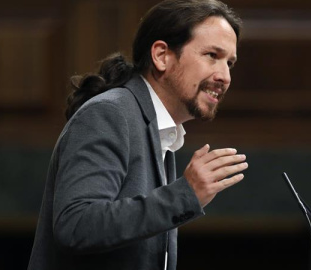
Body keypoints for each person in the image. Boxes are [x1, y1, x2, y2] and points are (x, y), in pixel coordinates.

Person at [27, 0, 247, 269]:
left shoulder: (157, 129)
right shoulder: (110, 114)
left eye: (230, 63)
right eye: (212, 55)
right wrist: (183, 195)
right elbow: (76, 224)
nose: (225, 76)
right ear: (161, 55)